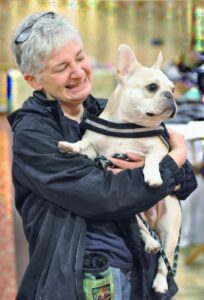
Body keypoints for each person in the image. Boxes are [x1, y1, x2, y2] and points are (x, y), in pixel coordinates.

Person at [8, 11, 197, 300]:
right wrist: (175, 159)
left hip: (139, 271)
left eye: (80, 58)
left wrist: (170, 164)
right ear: (34, 80)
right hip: (83, 279)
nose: (78, 71)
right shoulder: (34, 135)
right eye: (61, 67)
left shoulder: (108, 112)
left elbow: (184, 184)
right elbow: (103, 197)